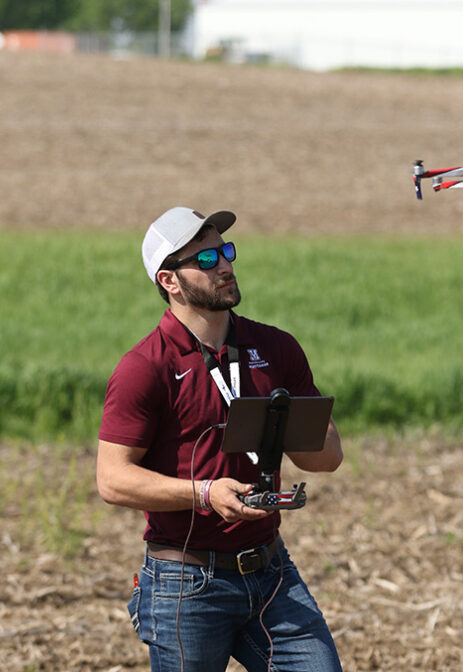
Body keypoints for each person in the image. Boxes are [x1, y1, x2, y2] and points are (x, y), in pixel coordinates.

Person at [97, 206, 344, 672]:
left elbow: (326, 457)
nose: (225, 265)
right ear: (169, 280)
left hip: (272, 573)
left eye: (225, 251)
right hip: (185, 583)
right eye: (206, 260)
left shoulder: (276, 348)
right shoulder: (143, 368)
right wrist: (205, 494)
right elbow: (112, 480)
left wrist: (300, 426)